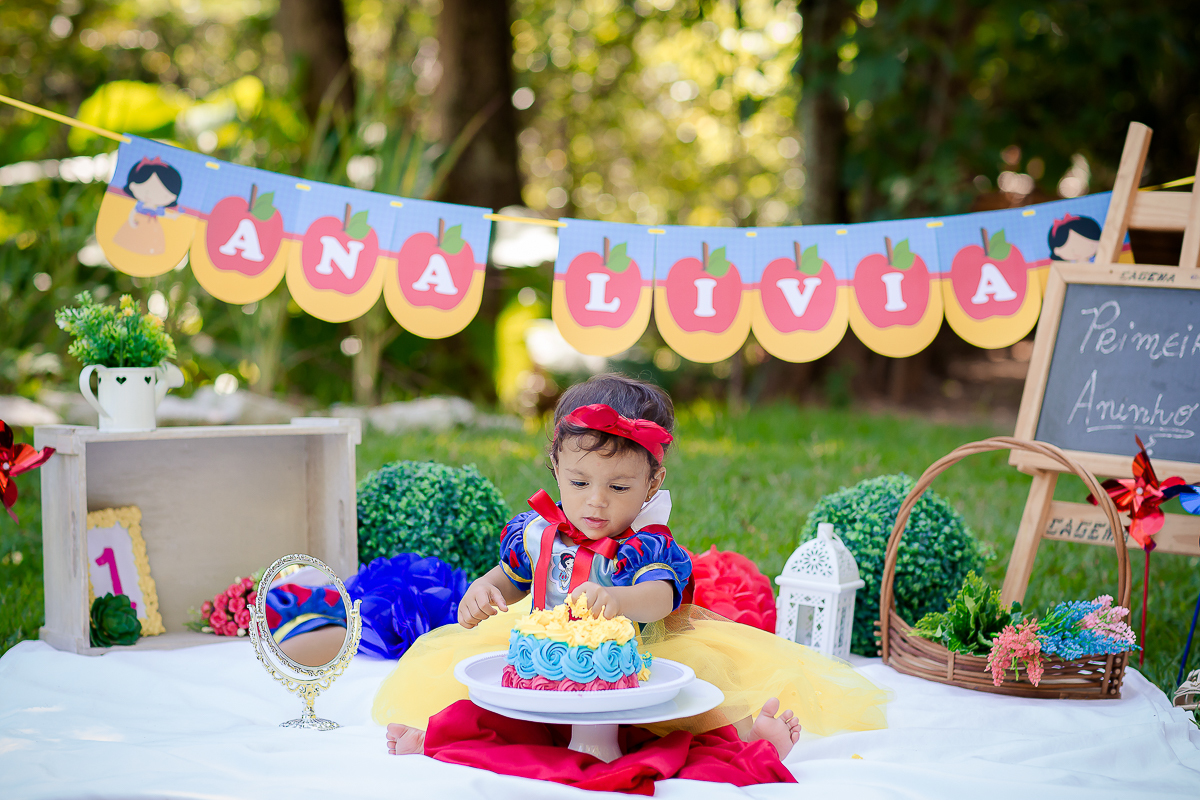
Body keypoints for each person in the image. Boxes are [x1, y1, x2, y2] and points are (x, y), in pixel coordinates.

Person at [375, 374, 888, 791]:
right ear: (555, 466)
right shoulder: (537, 533)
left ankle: (755, 740)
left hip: (640, 663)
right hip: (545, 669)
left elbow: (660, 598)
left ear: (651, 484)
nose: (595, 503)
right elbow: (511, 579)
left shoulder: (643, 544)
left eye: (618, 486)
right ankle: (438, 738)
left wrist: (617, 598)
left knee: (684, 717)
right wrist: (483, 591)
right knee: (489, 707)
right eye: (579, 483)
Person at [112, 156, 182, 256]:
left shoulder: (157, 209)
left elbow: (164, 214)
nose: (152, 195)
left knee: (148, 240)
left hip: (152, 226)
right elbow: (133, 212)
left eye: (163, 194)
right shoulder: (140, 205)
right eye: (147, 190)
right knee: (132, 237)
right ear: (132, 186)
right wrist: (131, 220)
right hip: (138, 222)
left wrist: (174, 216)